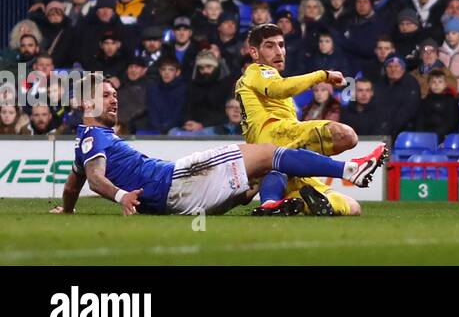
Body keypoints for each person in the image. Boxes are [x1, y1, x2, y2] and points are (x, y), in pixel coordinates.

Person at [53, 77, 385, 216]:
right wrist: (121, 196)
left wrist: (67, 210)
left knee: (265, 166)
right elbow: (95, 179)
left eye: (115, 94)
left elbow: (74, 184)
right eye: (106, 95)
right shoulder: (93, 138)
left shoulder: (86, 142)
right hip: (175, 180)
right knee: (269, 152)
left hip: (178, 200)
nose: (114, 99)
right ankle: (350, 169)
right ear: (85, 103)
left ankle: (269, 204)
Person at [235, 23, 360, 216]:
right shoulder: (255, 71)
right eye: (270, 46)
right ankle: (349, 169)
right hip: (273, 139)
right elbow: (279, 88)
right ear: (254, 52)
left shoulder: (271, 84)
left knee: (352, 207)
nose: (279, 52)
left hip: (284, 158)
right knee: (344, 135)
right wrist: (322, 75)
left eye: (281, 45)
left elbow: (281, 88)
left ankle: (287, 203)